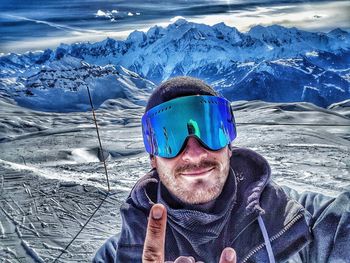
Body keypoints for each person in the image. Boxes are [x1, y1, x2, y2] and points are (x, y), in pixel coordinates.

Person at [93, 77, 350, 263]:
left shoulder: (297, 221)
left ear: (229, 145)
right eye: (169, 138)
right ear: (153, 157)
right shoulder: (113, 257)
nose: (194, 153)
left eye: (211, 131)